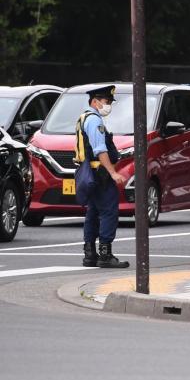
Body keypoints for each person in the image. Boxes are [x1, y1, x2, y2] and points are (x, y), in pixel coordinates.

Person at [75, 85, 128, 269]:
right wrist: (113, 172)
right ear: (95, 101)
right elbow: (100, 150)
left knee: (93, 212)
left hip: (89, 173)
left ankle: (90, 254)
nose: (108, 105)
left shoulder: (84, 117)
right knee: (108, 212)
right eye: (106, 102)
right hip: (100, 174)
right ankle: (105, 255)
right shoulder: (94, 121)